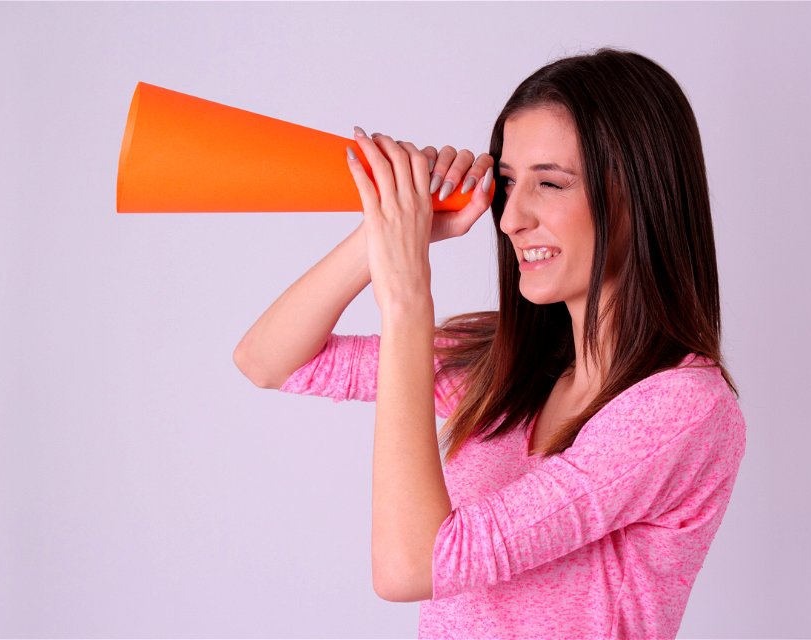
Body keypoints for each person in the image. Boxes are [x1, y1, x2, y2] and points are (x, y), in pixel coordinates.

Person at [233, 46, 747, 640]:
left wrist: (406, 297)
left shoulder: (680, 409)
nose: (510, 219)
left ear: (640, 195)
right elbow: (268, 359)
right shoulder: (506, 364)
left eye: (550, 183)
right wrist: (389, 226)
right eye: (507, 183)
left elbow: (411, 567)